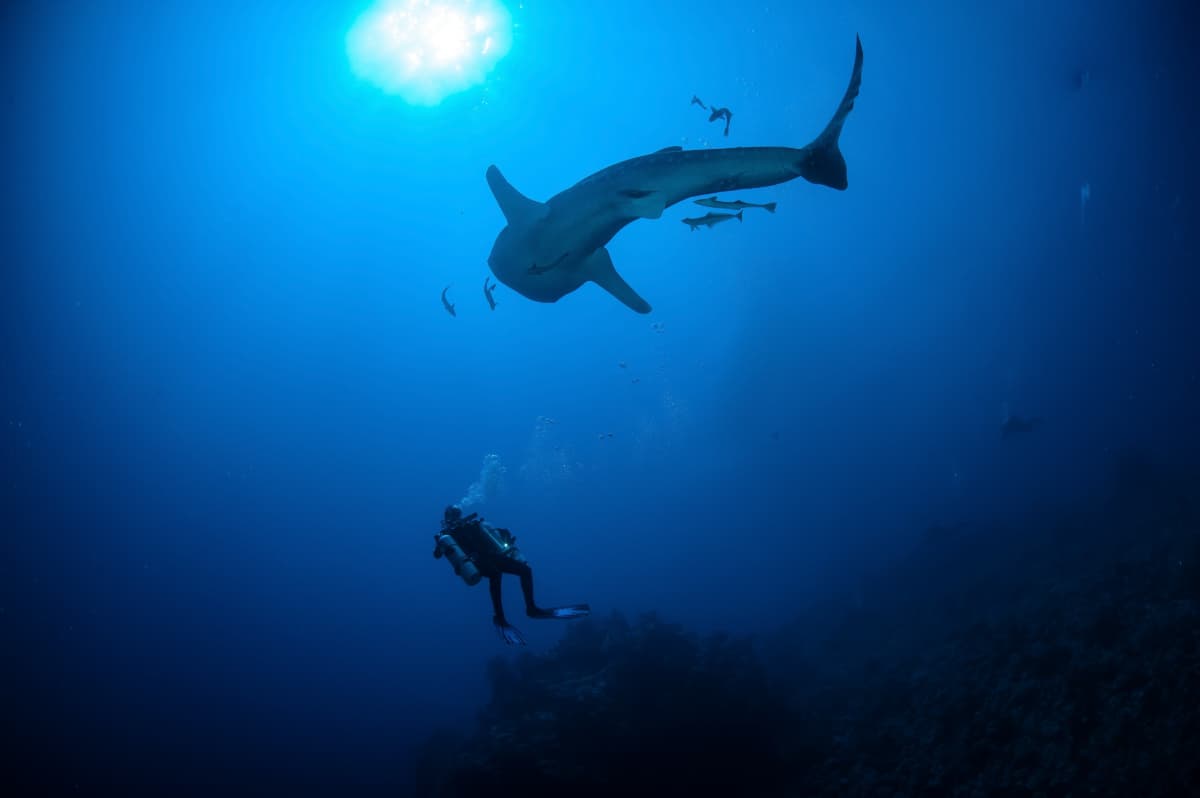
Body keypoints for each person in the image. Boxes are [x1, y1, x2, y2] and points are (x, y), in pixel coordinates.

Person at [433, 505, 590, 645]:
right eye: (453, 516)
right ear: (447, 518)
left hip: (491, 556)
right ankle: (500, 618)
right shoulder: (446, 535)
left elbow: (493, 535)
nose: (456, 518)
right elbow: (437, 554)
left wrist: (503, 534)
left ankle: (532, 609)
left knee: (525, 570)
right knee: (495, 574)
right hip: (475, 563)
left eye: (457, 515)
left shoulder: (471, 524)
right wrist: (441, 545)